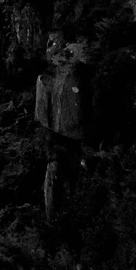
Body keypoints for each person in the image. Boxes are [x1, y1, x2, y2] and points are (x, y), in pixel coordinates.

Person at [33, 36, 93, 223]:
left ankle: (57, 222)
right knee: (61, 177)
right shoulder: (53, 78)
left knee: (58, 177)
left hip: (63, 138)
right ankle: (58, 222)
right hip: (65, 138)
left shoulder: (52, 77)